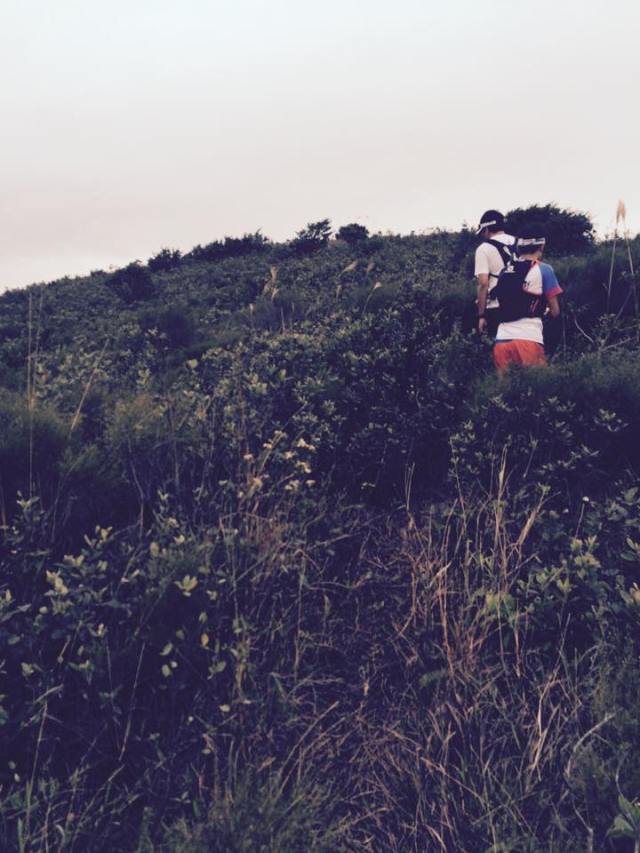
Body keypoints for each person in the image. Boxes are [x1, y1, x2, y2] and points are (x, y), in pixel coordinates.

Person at [492, 224, 562, 372]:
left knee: (504, 392)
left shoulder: (505, 271)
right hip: (529, 338)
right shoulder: (544, 269)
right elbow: (555, 311)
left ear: (518, 247)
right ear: (541, 246)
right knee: (536, 390)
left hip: (501, 340)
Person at [474, 210, 516, 338]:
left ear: (486, 229)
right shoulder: (518, 242)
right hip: (523, 303)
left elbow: (483, 283)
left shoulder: (483, 249)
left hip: (497, 307)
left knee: (498, 349)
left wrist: (481, 315)